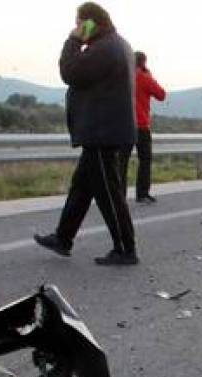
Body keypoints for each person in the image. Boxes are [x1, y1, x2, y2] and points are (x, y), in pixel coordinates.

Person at [34, 2, 139, 266]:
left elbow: (70, 73)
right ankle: (63, 238)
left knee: (108, 193)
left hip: (103, 133)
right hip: (104, 131)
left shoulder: (104, 47)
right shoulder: (117, 43)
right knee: (82, 187)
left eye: (79, 22)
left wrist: (72, 40)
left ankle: (126, 249)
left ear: (90, 22)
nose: (77, 27)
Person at [131, 52, 166, 203]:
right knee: (145, 159)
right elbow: (161, 94)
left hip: (123, 125)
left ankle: (118, 194)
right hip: (141, 125)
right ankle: (142, 193)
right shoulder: (145, 78)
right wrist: (149, 75)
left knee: (121, 161)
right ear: (143, 63)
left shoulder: (124, 77)